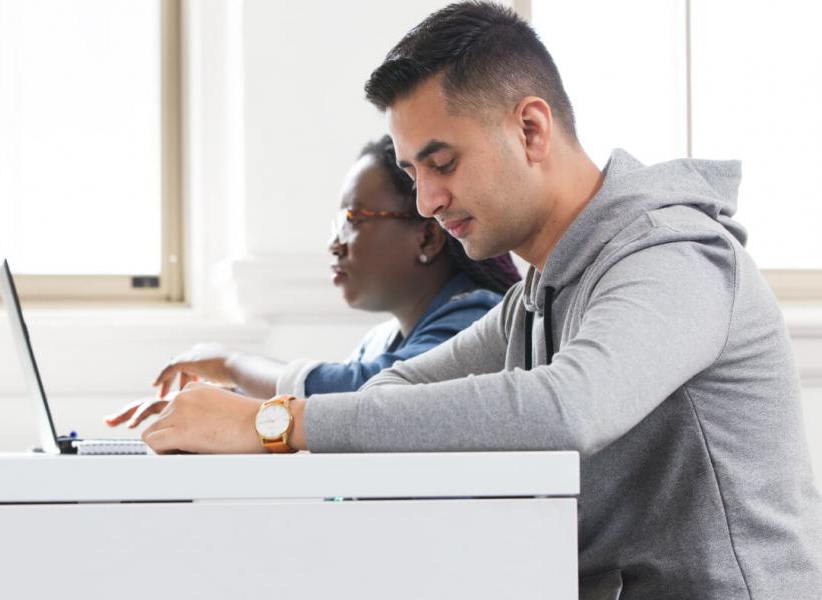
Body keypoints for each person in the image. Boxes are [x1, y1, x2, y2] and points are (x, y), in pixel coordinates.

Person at [126, 2, 822, 598]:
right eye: (412, 172)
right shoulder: (541, 294)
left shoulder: (675, 256)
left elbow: (567, 407)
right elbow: (396, 387)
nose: (427, 201)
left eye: (443, 162)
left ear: (529, 130)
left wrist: (274, 424)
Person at [105, 135, 520, 428]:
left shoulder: (479, 317)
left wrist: (231, 364)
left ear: (427, 236)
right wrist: (209, 413)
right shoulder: (380, 340)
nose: (334, 244)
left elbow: (369, 401)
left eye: (353, 220)